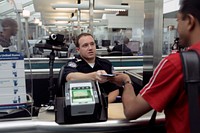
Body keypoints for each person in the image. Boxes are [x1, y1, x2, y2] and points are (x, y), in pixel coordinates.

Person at [107, 0, 200, 132]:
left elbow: (132, 110)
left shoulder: (177, 64)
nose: (177, 28)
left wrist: (126, 81)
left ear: (190, 21)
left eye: (178, 21)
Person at [63, 33, 119, 103]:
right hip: (81, 105)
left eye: (92, 44)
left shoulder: (106, 64)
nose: (90, 48)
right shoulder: (73, 64)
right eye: (85, 45)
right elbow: (70, 77)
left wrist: (103, 105)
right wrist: (94, 76)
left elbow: (115, 90)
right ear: (78, 49)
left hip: (105, 105)